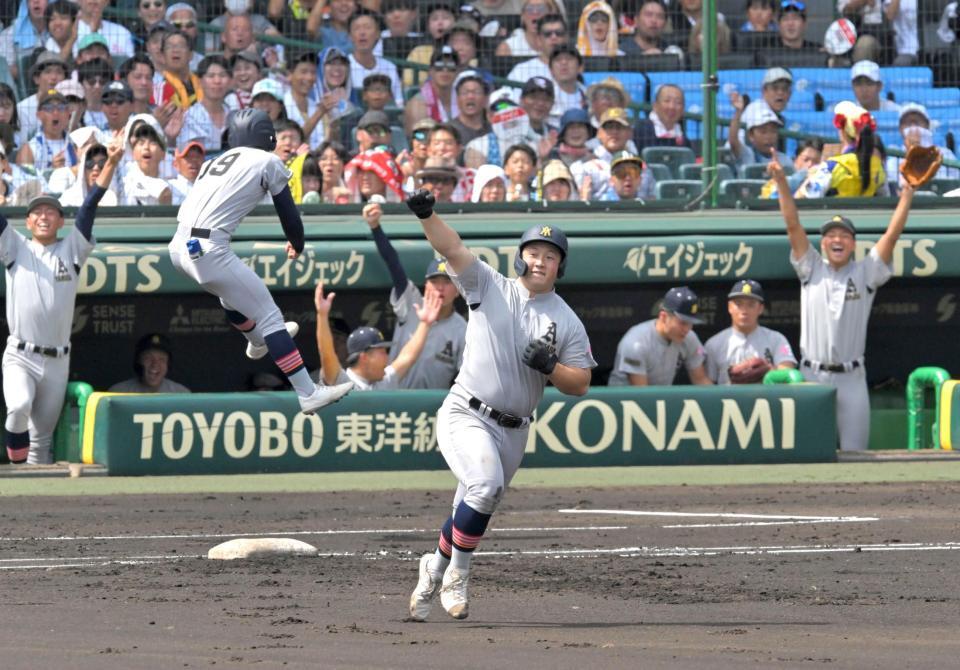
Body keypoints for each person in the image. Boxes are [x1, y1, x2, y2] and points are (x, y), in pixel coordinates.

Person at [405, 190, 595, 621]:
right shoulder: (489, 285)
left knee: (473, 500)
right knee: (485, 487)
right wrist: (427, 214)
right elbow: (451, 248)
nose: (540, 260)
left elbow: (580, 383)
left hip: (515, 429)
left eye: (550, 255)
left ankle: (433, 565)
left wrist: (552, 367)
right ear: (519, 257)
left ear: (560, 266)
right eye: (533, 251)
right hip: (467, 410)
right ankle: (459, 573)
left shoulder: (566, 319)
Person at [168, 108, 354, 414]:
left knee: (232, 295)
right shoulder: (268, 160)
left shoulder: (214, 162)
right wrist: (297, 243)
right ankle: (308, 392)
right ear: (265, 136)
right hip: (209, 247)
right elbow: (289, 215)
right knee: (271, 318)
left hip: (178, 247)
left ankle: (255, 340)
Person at [768, 149, 914, 451]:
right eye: (831, 235)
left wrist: (907, 195)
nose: (837, 239)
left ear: (853, 243)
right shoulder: (811, 268)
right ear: (823, 242)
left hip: (852, 377)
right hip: (811, 375)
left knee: (856, 454)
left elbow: (891, 236)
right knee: (806, 452)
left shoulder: (865, 272)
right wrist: (782, 182)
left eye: (844, 235)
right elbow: (793, 225)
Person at [1, 137, 122, 464]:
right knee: (18, 407)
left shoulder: (71, 248)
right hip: (21, 355)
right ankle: (15, 477)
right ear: (26, 221)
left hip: (57, 360)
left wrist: (110, 162)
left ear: (59, 220)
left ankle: (36, 507)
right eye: (36, 211)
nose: (43, 216)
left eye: (50, 211)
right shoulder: (16, 246)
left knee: (41, 443)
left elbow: (89, 207)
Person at [362, 200, 466, 388]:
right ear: (426, 286)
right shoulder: (412, 301)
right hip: (395, 401)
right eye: (435, 282)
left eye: (447, 282)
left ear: (458, 289)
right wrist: (375, 227)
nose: (440, 288)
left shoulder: (462, 329)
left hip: (433, 406)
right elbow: (393, 263)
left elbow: (465, 377)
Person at [314, 279, 443, 390]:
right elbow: (327, 354)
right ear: (364, 357)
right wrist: (322, 315)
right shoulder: (342, 382)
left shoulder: (383, 382)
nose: (387, 358)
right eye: (382, 352)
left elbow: (407, 356)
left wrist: (425, 324)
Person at [608, 286, 712, 386]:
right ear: (663, 317)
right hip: (623, 400)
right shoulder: (636, 342)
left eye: (690, 323)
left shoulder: (688, 337)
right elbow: (641, 394)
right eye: (683, 323)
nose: (687, 329)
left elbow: (701, 380)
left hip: (658, 399)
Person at [704, 279, 797, 385]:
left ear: (760, 308)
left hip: (766, 399)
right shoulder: (714, 344)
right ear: (730, 307)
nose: (744, 311)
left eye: (751, 304)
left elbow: (787, 374)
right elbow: (707, 385)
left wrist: (770, 371)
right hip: (728, 399)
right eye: (739, 304)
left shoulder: (776, 339)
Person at [795, 101, 886, 198]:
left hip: (836, 213)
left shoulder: (832, 166)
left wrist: (811, 177)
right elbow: (884, 196)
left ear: (843, 131)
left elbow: (805, 197)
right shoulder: (878, 167)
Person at [885, 103, 959, 192]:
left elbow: (956, 184)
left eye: (917, 122)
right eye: (908, 123)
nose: (913, 128)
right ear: (901, 129)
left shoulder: (945, 153)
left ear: (927, 125)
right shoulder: (893, 158)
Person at [108, 333, 191, 393]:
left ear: (168, 364)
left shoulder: (181, 394)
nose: (155, 364)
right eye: (148, 358)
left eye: (161, 359)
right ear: (138, 361)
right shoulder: (118, 393)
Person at [633, 84, 693, 153]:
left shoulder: (684, 141)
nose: (672, 107)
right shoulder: (640, 131)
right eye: (667, 101)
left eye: (678, 102)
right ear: (655, 105)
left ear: (683, 109)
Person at [169, 139, 204, 204]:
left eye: (198, 157)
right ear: (176, 164)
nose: (194, 160)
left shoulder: (210, 186)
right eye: (188, 157)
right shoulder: (169, 187)